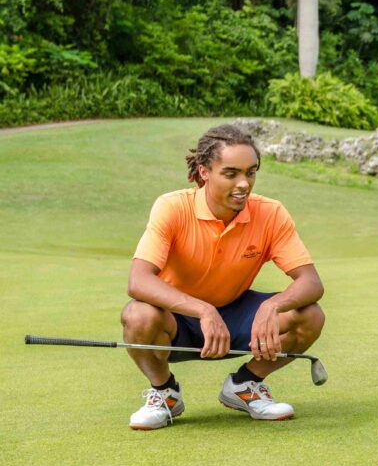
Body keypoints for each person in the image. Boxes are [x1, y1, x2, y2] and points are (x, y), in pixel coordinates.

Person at [122, 124, 325, 430]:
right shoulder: (172, 207)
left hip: (237, 315)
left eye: (251, 172)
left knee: (309, 315)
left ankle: (245, 386)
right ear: (204, 172)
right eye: (231, 174)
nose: (244, 183)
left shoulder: (270, 213)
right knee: (138, 315)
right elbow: (139, 281)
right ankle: (165, 394)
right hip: (177, 321)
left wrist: (272, 307)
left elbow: (311, 282)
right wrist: (203, 310)